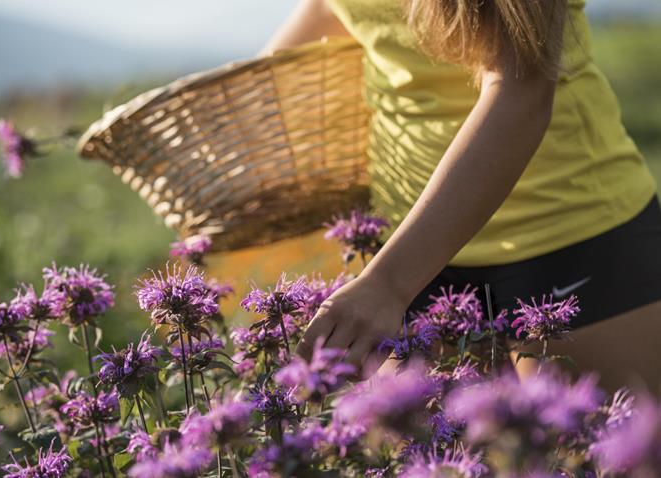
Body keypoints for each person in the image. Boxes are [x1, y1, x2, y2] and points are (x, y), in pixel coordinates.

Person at [264, 0, 661, 391]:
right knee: (431, 455)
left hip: (567, 233)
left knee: (606, 454)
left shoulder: (388, 283)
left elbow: (522, 88)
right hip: (410, 245)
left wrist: (388, 285)